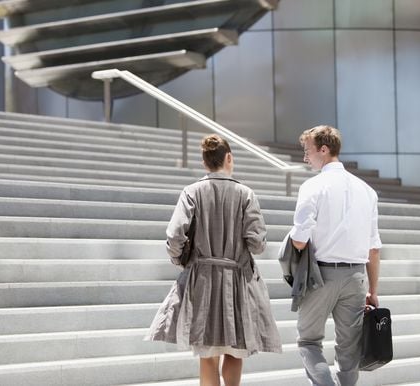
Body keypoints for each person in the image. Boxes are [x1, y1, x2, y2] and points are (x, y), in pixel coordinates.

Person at [146, 134, 282, 386]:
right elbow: (257, 244)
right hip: (237, 283)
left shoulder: (192, 192)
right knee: (235, 350)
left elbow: (175, 235)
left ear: (204, 161)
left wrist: (182, 260)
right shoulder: (246, 194)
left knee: (208, 356)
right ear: (229, 158)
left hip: (202, 282)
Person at [289, 125, 382, 386]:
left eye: (308, 152)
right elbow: (374, 248)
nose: (306, 158)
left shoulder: (313, 186)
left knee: (308, 341)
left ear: (324, 149)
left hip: (321, 275)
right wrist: (372, 291)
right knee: (349, 349)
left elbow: (299, 239)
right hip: (356, 277)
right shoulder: (367, 190)